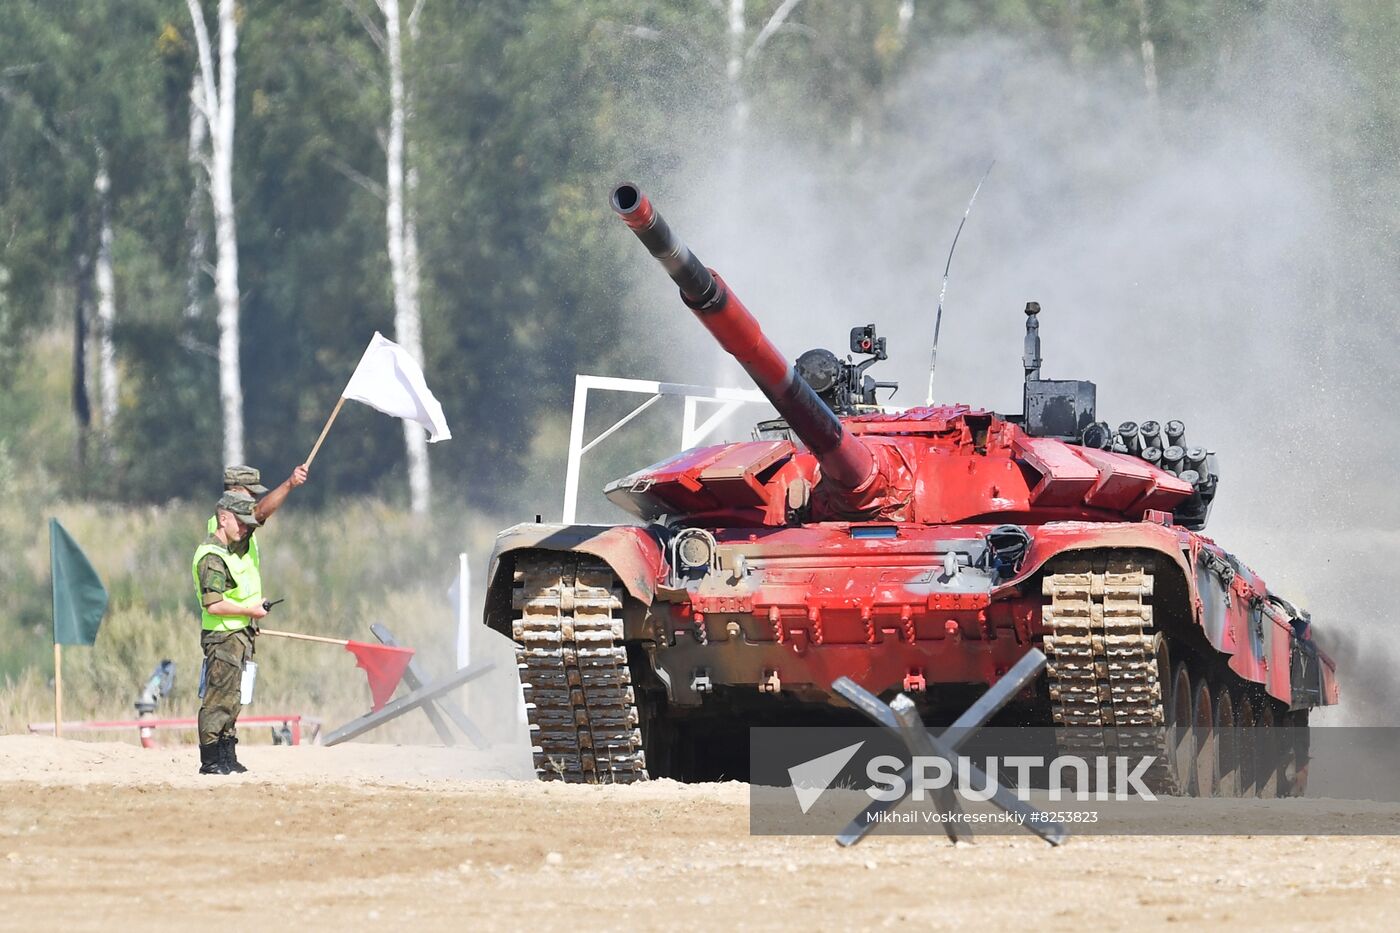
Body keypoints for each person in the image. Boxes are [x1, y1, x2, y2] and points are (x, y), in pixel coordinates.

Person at [192, 492, 269, 775]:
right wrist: (249, 610)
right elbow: (214, 604)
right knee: (218, 700)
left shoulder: (232, 552)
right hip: (222, 638)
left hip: (240, 634)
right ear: (223, 519)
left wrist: (250, 618)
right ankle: (211, 760)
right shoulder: (211, 556)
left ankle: (227, 755)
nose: (246, 528)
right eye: (241, 522)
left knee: (234, 698)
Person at [210, 464, 310, 567]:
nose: (255, 500)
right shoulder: (229, 523)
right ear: (234, 492)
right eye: (251, 494)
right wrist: (289, 483)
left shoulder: (231, 521)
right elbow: (260, 512)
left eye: (256, 495)